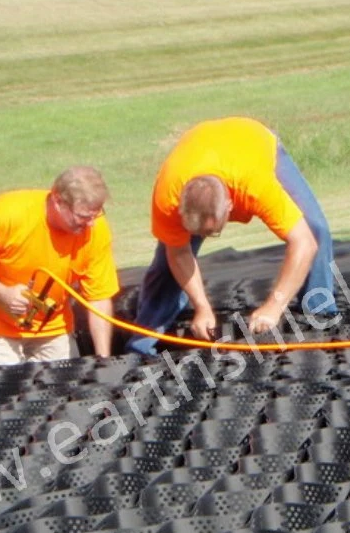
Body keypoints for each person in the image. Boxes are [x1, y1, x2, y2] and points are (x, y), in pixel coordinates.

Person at [125, 116, 336, 356]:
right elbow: (179, 253)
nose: (206, 236)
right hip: (199, 145)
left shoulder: (254, 186)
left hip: (254, 141)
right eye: (198, 232)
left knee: (316, 229)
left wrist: (274, 306)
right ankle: (143, 342)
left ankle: (320, 314)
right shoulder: (168, 197)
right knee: (165, 264)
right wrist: (202, 307)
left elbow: (304, 243)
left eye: (212, 232)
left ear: (229, 206)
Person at [0, 166, 119, 367]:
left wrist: (104, 360)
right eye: (82, 216)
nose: (90, 224)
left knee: (63, 389)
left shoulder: (95, 229)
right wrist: (2, 292)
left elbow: (99, 299)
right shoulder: (6, 215)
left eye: (95, 215)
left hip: (53, 327)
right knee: (12, 392)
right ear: (57, 201)